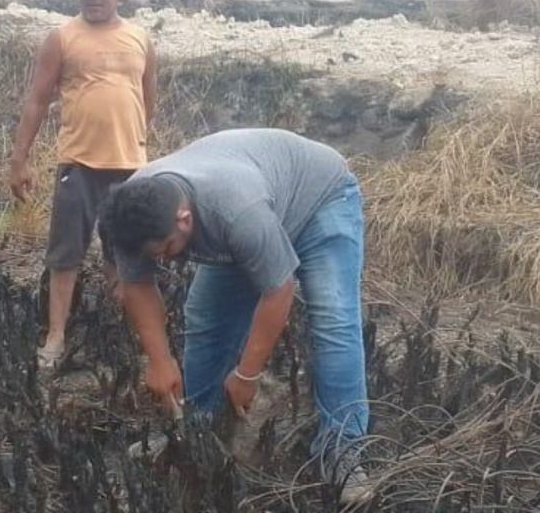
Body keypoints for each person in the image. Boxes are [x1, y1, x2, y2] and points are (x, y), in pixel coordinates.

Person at [99, 128, 373, 505]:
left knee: (333, 320)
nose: (163, 259)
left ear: (184, 220)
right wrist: (159, 361)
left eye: (168, 250)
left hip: (319, 199)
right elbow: (138, 287)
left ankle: (344, 452)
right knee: (205, 318)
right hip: (256, 210)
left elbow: (278, 291)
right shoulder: (132, 215)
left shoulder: (234, 211)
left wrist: (247, 374)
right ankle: (196, 428)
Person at [8, 0, 156, 370]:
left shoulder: (141, 39)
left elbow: (148, 100)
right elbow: (37, 100)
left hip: (130, 166)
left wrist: (133, 137)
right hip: (78, 163)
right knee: (65, 253)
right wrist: (19, 160)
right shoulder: (62, 37)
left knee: (124, 252)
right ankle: (56, 334)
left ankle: (124, 329)